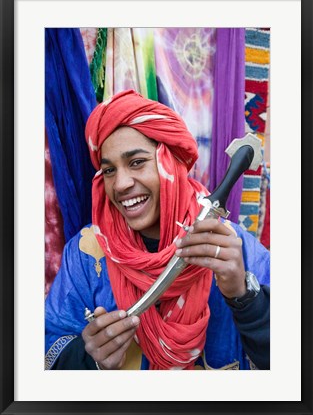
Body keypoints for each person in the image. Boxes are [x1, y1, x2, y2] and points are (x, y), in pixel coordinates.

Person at [45, 89, 270, 371]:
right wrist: (89, 358)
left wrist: (244, 297)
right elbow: (47, 344)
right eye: (109, 170)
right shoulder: (87, 252)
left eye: (137, 162)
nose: (120, 184)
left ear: (172, 163)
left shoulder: (232, 250)